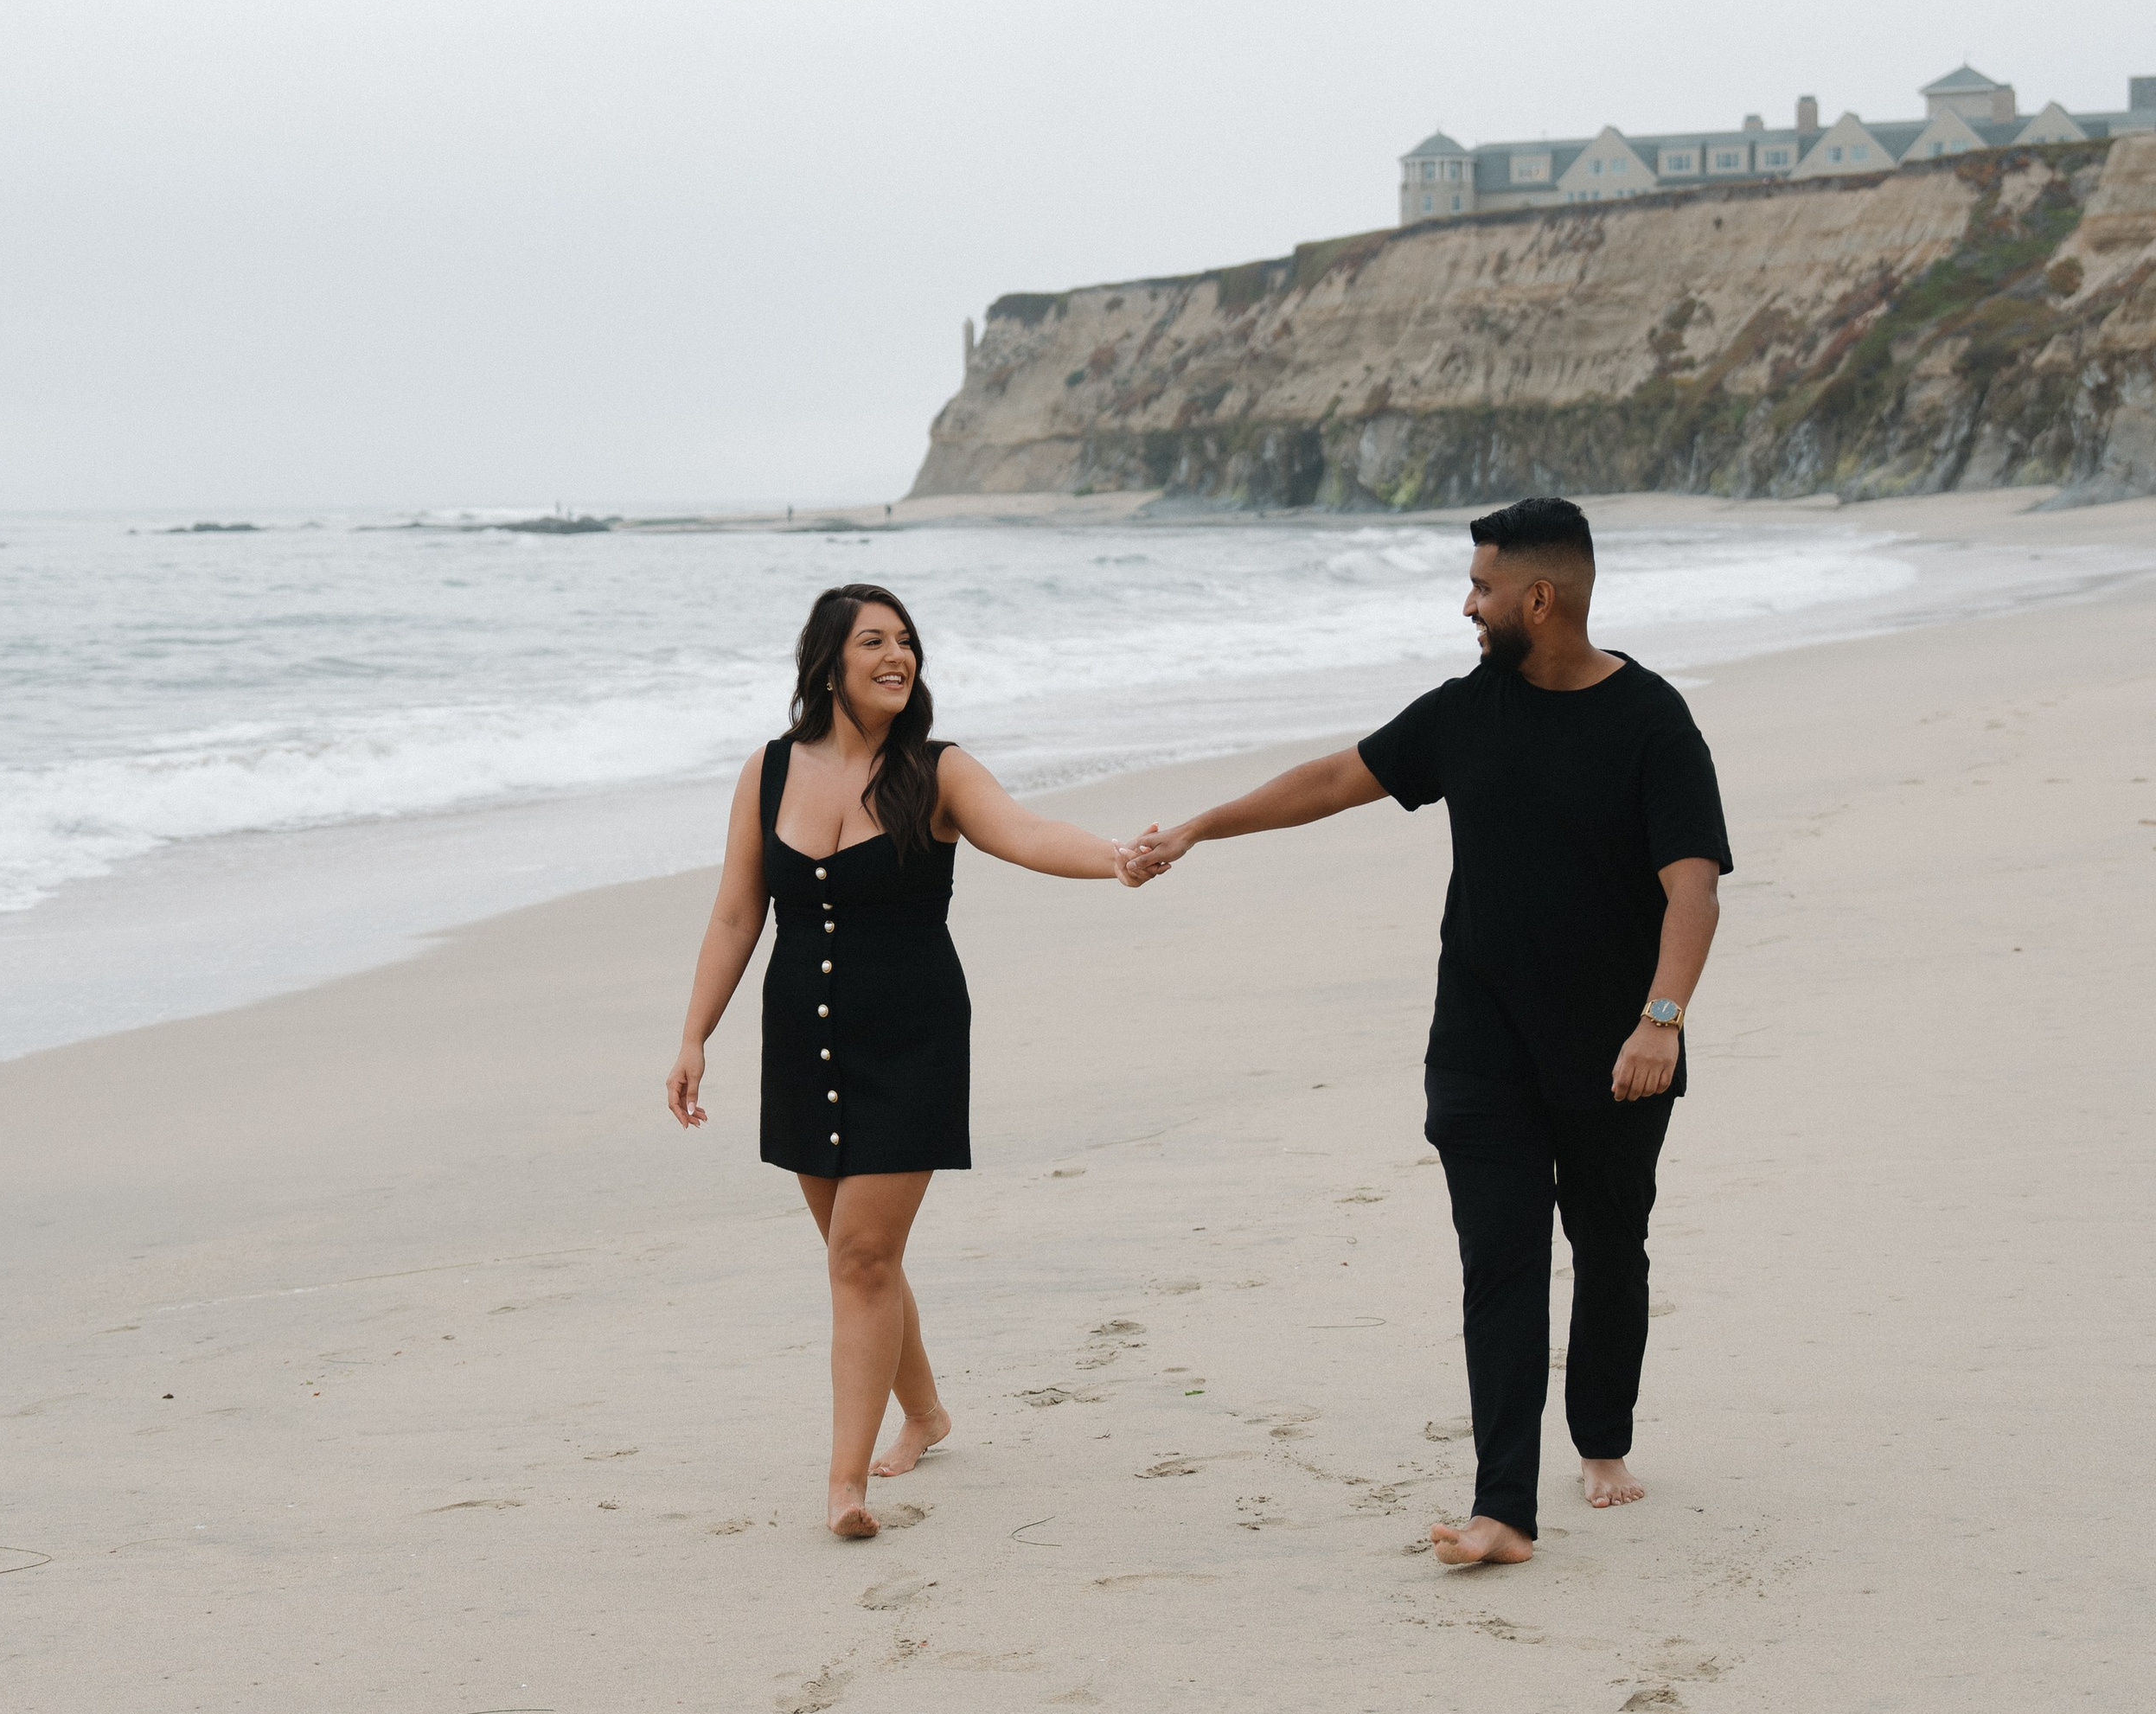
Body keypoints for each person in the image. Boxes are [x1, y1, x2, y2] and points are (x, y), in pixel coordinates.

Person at [1124, 497, 1730, 1569]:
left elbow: (1692, 890)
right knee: (1498, 1262)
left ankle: (1601, 1437)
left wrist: (1660, 1023)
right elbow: (1333, 780)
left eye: (1483, 587)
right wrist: (1202, 826)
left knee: (1607, 1246)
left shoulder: (1652, 721)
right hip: (1480, 1047)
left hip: (1615, 1051)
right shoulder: (1464, 712)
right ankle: (1503, 1507)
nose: (1468, 605)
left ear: (1537, 599)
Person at [668, 583, 1146, 1539]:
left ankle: (845, 1484)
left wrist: (1115, 856)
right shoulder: (768, 771)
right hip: (803, 1037)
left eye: (907, 642)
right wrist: (694, 1034)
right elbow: (736, 911)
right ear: (828, 663)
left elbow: (1024, 832)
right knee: (860, 1256)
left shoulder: (937, 770)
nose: (898, 656)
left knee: (861, 1254)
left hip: (912, 1038)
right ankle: (925, 1412)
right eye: (874, 642)